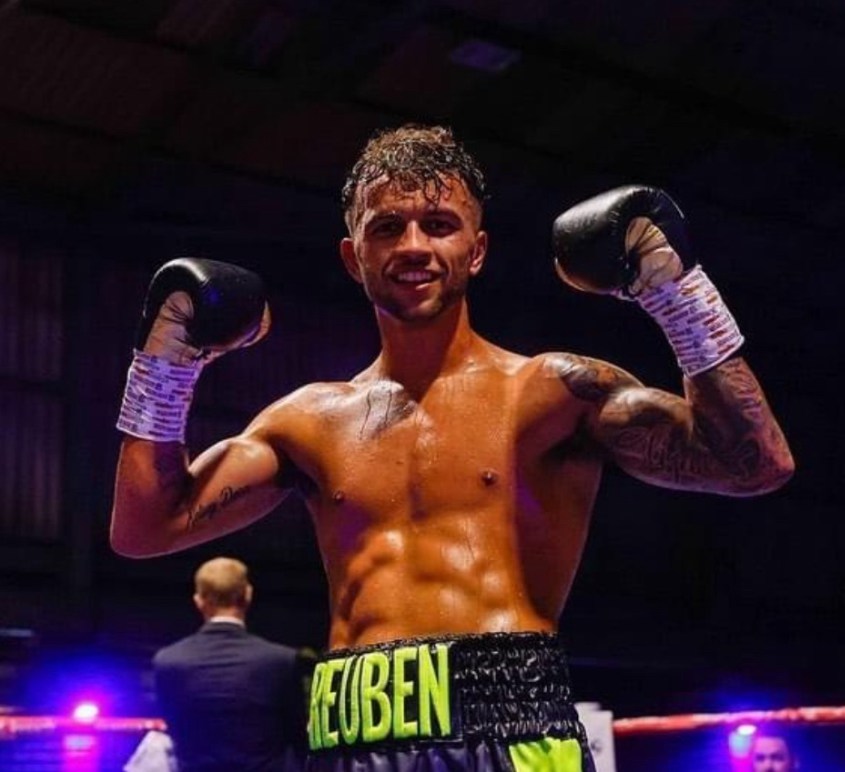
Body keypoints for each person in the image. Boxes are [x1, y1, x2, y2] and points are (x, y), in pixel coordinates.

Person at [110, 123, 795, 771]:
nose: (414, 246)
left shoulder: (552, 393)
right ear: (353, 257)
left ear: (477, 249)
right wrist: (164, 366)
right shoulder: (307, 421)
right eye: (387, 228)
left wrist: (676, 293)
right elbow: (144, 527)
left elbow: (752, 463)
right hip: (352, 738)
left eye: (439, 225)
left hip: (512, 730)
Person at [151, 557, 307, 772]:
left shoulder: (168, 662)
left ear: (199, 600)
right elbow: (298, 736)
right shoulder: (281, 661)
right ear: (248, 595)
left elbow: (173, 727)